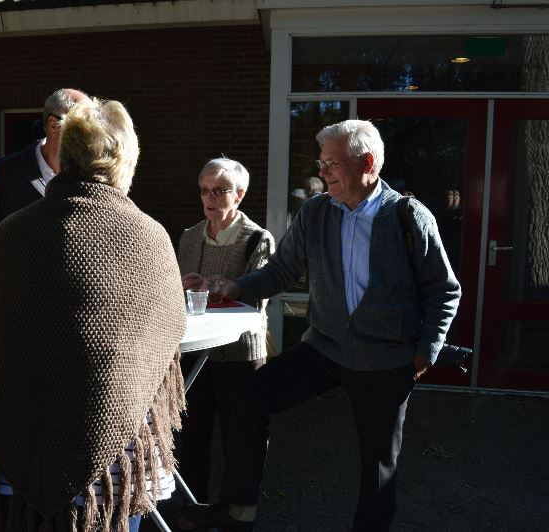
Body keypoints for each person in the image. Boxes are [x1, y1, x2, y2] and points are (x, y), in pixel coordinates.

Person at [183, 120, 461, 532]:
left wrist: (426, 351)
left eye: (332, 162)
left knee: (379, 463)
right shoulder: (315, 212)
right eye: (321, 162)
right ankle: (239, 511)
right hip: (324, 348)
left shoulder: (407, 216)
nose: (323, 171)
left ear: (367, 163)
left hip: (385, 357)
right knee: (249, 397)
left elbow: (444, 289)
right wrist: (236, 286)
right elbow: (281, 271)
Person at [0, 97, 188, 532]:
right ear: (126, 160)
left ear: (64, 156)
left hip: (11, 446)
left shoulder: (13, 231)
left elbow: (0, 322)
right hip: (111, 474)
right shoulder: (150, 235)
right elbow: (171, 326)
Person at [176, 158, 274, 514]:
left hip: (240, 354)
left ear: (239, 194)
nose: (210, 198)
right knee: (193, 435)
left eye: (219, 190)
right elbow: (176, 292)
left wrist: (218, 288)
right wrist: (181, 286)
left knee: (240, 439)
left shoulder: (257, 239)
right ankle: (192, 510)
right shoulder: (189, 236)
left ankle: (238, 513)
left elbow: (257, 299)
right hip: (194, 351)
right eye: (205, 190)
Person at [0, 87, 89, 250]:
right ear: (54, 126)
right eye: (84, 125)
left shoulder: (90, 175)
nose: (93, 134)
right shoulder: (5, 173)